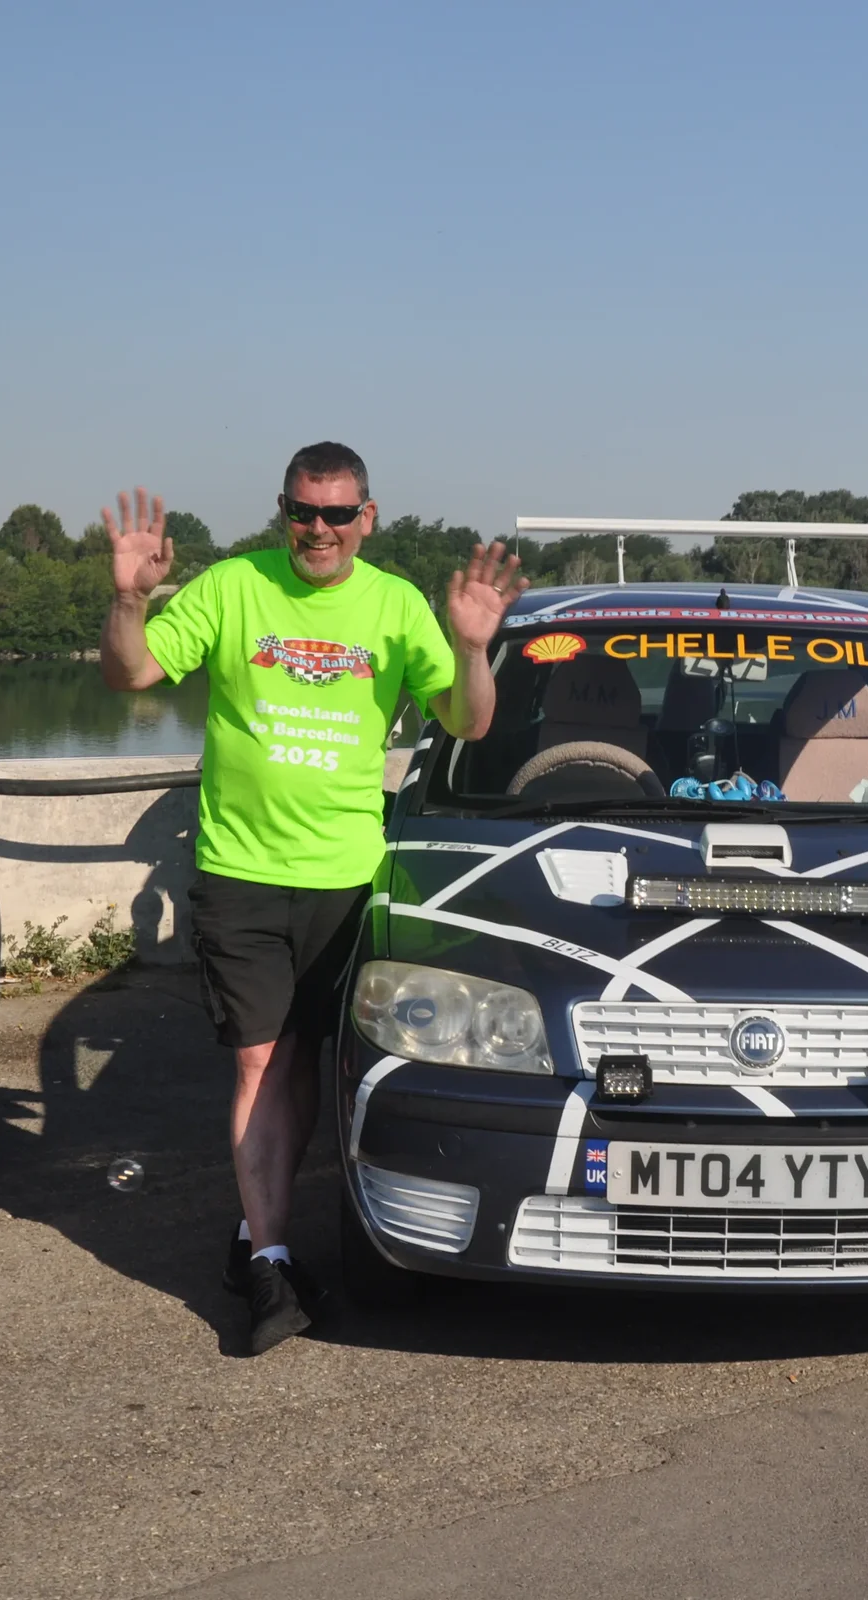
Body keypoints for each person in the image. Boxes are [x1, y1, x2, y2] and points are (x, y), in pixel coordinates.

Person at [97, 445, 522, 1352]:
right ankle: (271, 1263)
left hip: (347, 878)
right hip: (241, 872)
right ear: (281, 510)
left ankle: (258, 1234)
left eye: (336, 515)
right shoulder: (230, 588)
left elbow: (471, 722)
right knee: (259, 1065)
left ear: (368, 517)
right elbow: (130, 675)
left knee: (306, 1066)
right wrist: (131, 596)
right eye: (303, 512)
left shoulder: (399, 604)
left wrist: (473, 648)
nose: (318, 531)